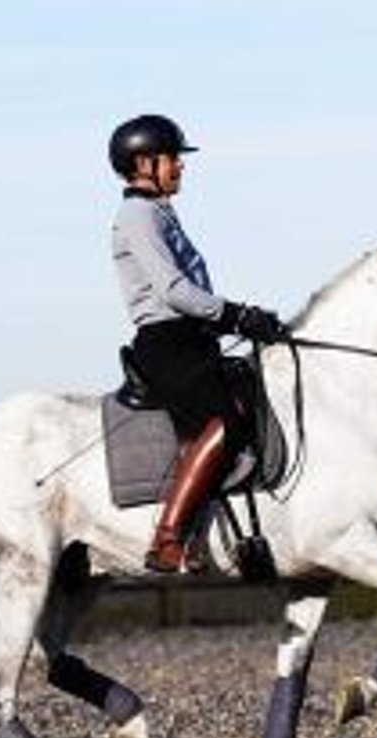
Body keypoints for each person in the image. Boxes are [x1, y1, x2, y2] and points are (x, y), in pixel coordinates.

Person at [108, 113, 288, 574]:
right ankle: (168, 538)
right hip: (166, 343)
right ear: (145, 163)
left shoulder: (158, 211)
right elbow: (174, 291)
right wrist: (237, 315)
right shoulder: (136, 214)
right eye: (173, 159)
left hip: (191, 338)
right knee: (223, 424)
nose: (181, 167)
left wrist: (233, 323)